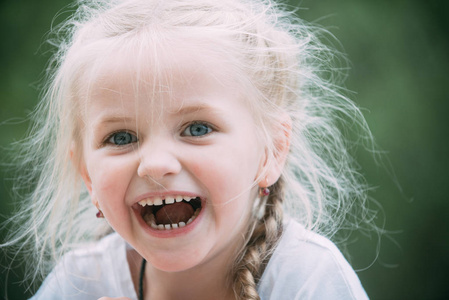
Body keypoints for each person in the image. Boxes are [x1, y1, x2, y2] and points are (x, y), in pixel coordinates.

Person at [2, 0, 376, 299]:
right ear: (87, 174)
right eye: (120, 138)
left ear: (272, 151)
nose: (154, 164)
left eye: (197, 128)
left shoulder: (308, 279)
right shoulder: (79, 283)